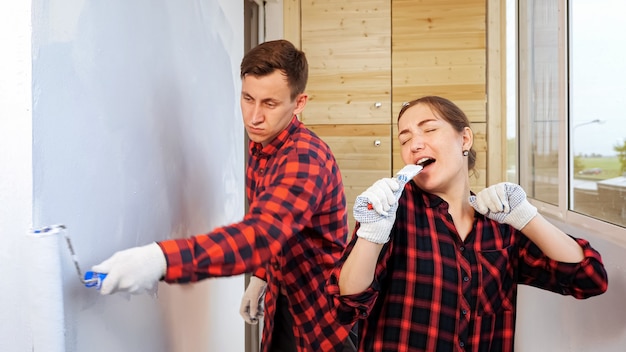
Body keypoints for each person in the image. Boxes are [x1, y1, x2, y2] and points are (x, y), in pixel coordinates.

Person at [92, 39, 355, 351]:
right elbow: (271, 220)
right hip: (282, 297)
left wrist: (159, 260)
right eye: (247, 99)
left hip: (321, 317)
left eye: (269, 104)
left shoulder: (304, 157)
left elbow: (260, 235)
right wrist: (261, 277)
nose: (254, 117)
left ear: (299, 103)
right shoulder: (263, 145)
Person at [326, 95, 608, 351]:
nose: (415, 144)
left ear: (465, 140)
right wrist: (371, 234)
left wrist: (527, 217)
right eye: (404, 139)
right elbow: (345, 305)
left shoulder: (500, 223)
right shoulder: (390, 214)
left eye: (429, 129)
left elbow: (590, 279)